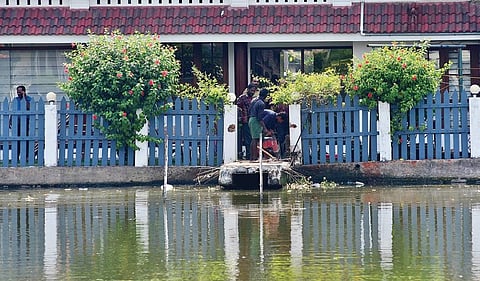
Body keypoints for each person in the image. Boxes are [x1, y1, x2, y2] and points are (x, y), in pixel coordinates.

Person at [235, 83, 257, 160]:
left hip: (254, 121)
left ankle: (253, 155)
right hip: (245, 121)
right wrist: (240, 116)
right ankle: (248, 155)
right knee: (247, 139)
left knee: (253, 138)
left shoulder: (254, 99)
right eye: (251, 90)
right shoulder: (242, 98)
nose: (253, 92)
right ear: (248, 89)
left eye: (254, 91)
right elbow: (237, 107)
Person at [12, 85, 32, 161]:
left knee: (25, 138)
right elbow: (13, 110)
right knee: (16, 139)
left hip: (25, 121)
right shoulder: (15, 99)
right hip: (16, 121)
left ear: (24, 91)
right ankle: (16, 156)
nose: (18, 93)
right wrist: (10, 119)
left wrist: (24, 97)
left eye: (20, 92)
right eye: (17, 92)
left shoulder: (29, 99)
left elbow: (28, 107)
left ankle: (26, 156)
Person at [248, 88, 269, 161]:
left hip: (251, 119)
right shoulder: (261, 103)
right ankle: (254, 158)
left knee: (253, 138)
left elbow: (249, 110)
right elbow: (259, 117)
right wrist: (265, 128)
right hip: (255, 121)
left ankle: (252, 157)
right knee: (255, 139)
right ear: (266, 95)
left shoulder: (254, 100)